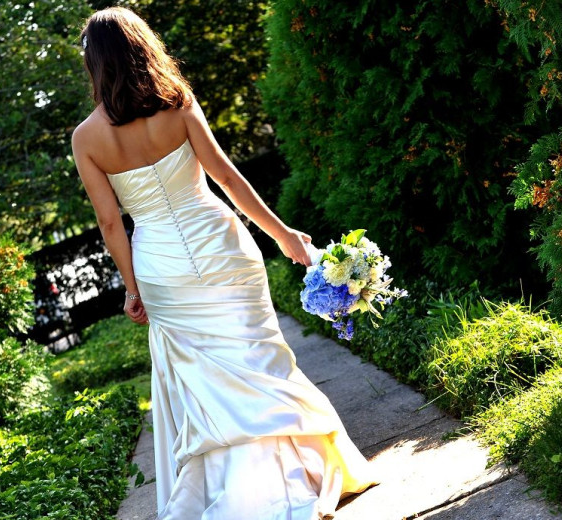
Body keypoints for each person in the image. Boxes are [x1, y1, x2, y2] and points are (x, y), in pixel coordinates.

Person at [71, 7, 377, 519]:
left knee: (205, 381)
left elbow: (109, 223)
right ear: (142, 46)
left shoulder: (87, 139)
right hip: (222, 246)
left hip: (161, 267)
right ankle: (300, 472)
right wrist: (283, 236)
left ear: (95, 65)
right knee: (261, 360)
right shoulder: (178, 101)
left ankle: (236, 494)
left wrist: (131, 288)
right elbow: (230, 181)